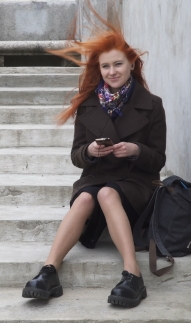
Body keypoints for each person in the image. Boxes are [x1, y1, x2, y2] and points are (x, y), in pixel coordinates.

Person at [21, 23, 167, 308]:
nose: (112, 72)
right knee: (87, 194)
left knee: (105, 193)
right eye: (105, 66)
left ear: (131, 64)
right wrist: (89, 150)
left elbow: (159, 159)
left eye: (118, 64)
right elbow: (76, 155)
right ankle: (49, 271)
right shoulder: (88, 104)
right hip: (97, 176)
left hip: (137, 182)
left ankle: (133, 276)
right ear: (98, 70)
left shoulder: (152, 104)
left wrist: (136, 150)